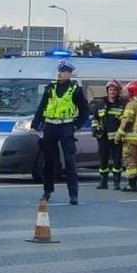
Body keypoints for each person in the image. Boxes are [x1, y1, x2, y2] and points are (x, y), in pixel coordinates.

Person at [31, 59, 89, 205]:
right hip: (50, 126)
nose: (60, 73)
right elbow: (42, 106)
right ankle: (47, 190)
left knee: (70, 161)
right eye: (59, 71)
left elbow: (84, 110)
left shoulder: (75, 89)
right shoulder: (50, 88)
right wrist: (35, 125)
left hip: (66, 127)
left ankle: (73, 194)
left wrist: (77, 125)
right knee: (49, 161)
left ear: (69, 74)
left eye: (63, 71)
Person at [90, 79, 125, 190]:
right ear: (107, 91)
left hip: (116, 138)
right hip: (103, 137)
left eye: (114, 90)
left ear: (118, 91)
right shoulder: (100, 104)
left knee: (117, 160)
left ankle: (116, 183)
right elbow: (95, 118)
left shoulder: (121, 105)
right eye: (110, 90)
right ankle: (103, 182)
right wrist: (95, 129)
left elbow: (124, 121)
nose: (112, 92)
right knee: (103, 159)